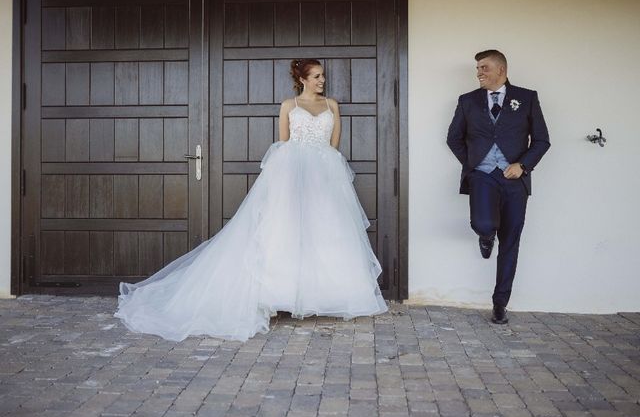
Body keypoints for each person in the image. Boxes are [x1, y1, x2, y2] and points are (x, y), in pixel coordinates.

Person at [115, 59, 387, 341]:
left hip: (325, 178)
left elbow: (333, 147)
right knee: (285, 232)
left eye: (323, 76)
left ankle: (324, 296)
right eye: (317, 76)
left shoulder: (332, 106)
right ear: (303, 79)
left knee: (326, 233)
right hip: (292, 178)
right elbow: (283, 147)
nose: (322, 81)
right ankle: (280, 296)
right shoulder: (288, 106)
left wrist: (326, 177)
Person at [446, 50, 550, 324]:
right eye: (478, 68)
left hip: (515, 180)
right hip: (482, 175)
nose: (478, 72)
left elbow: (541, 140)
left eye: (484, 67)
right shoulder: (467, 101)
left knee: (511, 243)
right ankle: (485, 235)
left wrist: (523, 166)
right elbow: (453, 138)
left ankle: (500, 303)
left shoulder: (527, 98)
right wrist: (473, 162)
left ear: (501, 70)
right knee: (482, 222)